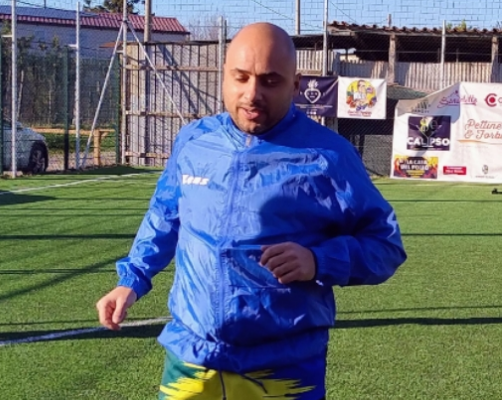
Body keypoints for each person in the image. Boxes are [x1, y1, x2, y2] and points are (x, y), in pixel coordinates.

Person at [96, 22, 407, 400]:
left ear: (295, 86)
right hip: (192, 358)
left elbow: (385, 245)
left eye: (270, 81)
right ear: (224, 77)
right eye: (240, 78)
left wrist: (318, 260)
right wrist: (132, 280)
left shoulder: (329, 156)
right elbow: (166, 216)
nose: (252, 94)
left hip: (284, 367)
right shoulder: (194, 142)